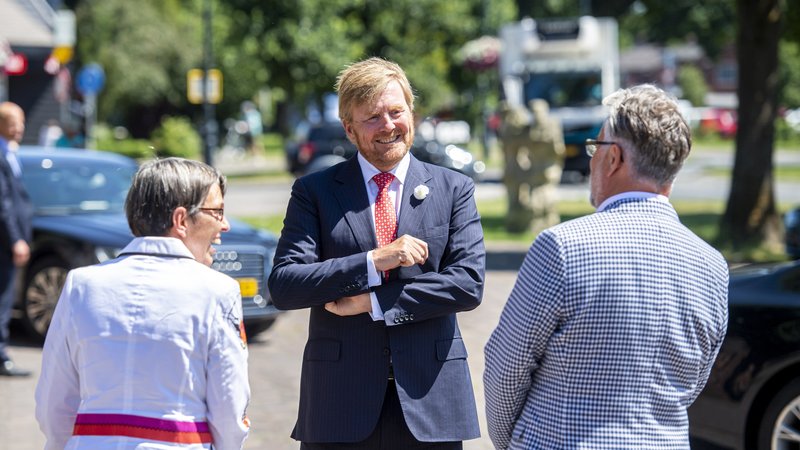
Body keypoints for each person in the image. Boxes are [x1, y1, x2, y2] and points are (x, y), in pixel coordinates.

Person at [484, 84, 729, 449]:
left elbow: (506, 368)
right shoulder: (713, 265)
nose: (591, 159)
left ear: (614, 158)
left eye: (594, 147)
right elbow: (690, 383)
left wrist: (510, 442)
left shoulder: (562, 248)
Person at [268, 57, 485, 449]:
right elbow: (286, 285)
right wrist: (374, 261)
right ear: (349, 129)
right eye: (372, 118)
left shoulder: (454, 189)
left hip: (430, 401)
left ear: (412, 115)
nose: (388, 125)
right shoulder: (315, 192)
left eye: (396, 112)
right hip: (339, 403)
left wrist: (373, 302)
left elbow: (467, 285)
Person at [35, 158, 251, 450]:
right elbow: (229, 407)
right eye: (218, 212)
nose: (224, 225)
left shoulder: (81, 285)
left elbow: (54, 402)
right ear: (181, 220)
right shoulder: (217, 290)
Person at [0, 101, 33, 377]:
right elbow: (4, 204)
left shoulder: (10, 152)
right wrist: (15, 240)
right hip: (4, 243)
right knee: (3, 298)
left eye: (21, 122)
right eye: (14, 122)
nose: (20, 128)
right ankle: (1, 356)